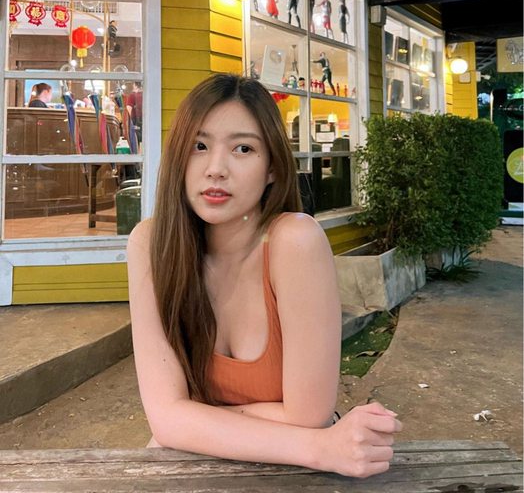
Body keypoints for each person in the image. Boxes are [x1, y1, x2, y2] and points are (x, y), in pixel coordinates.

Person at [127, 73, 401, 479]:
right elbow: (165, 420)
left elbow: (309, 416)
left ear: (272, 167)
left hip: (290, 475)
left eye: (243, 148)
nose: (216, 169)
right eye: (199, 146)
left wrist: (193, 421)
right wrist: (321, 447)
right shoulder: (151, 245)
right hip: (219, 468)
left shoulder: (295, 242)